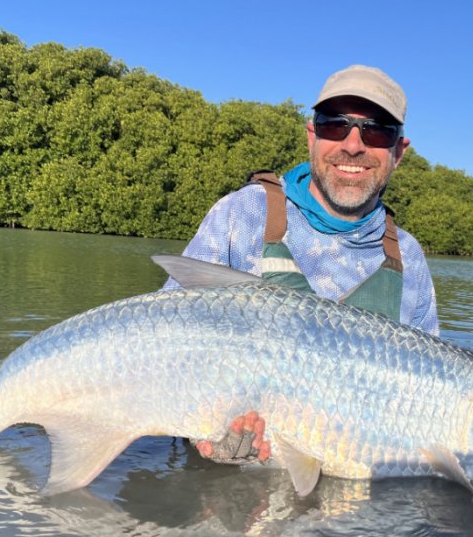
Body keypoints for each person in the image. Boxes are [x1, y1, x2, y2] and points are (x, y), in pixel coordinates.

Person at [165, 65, 439, 462]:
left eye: (376, 131)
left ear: (399, 151)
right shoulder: (244, 214)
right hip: (230, 491)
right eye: (334, 126)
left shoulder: (408, 258)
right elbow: (160, 347)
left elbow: (427, 403)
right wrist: (202, 427)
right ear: (312, 135)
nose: (353, 146)